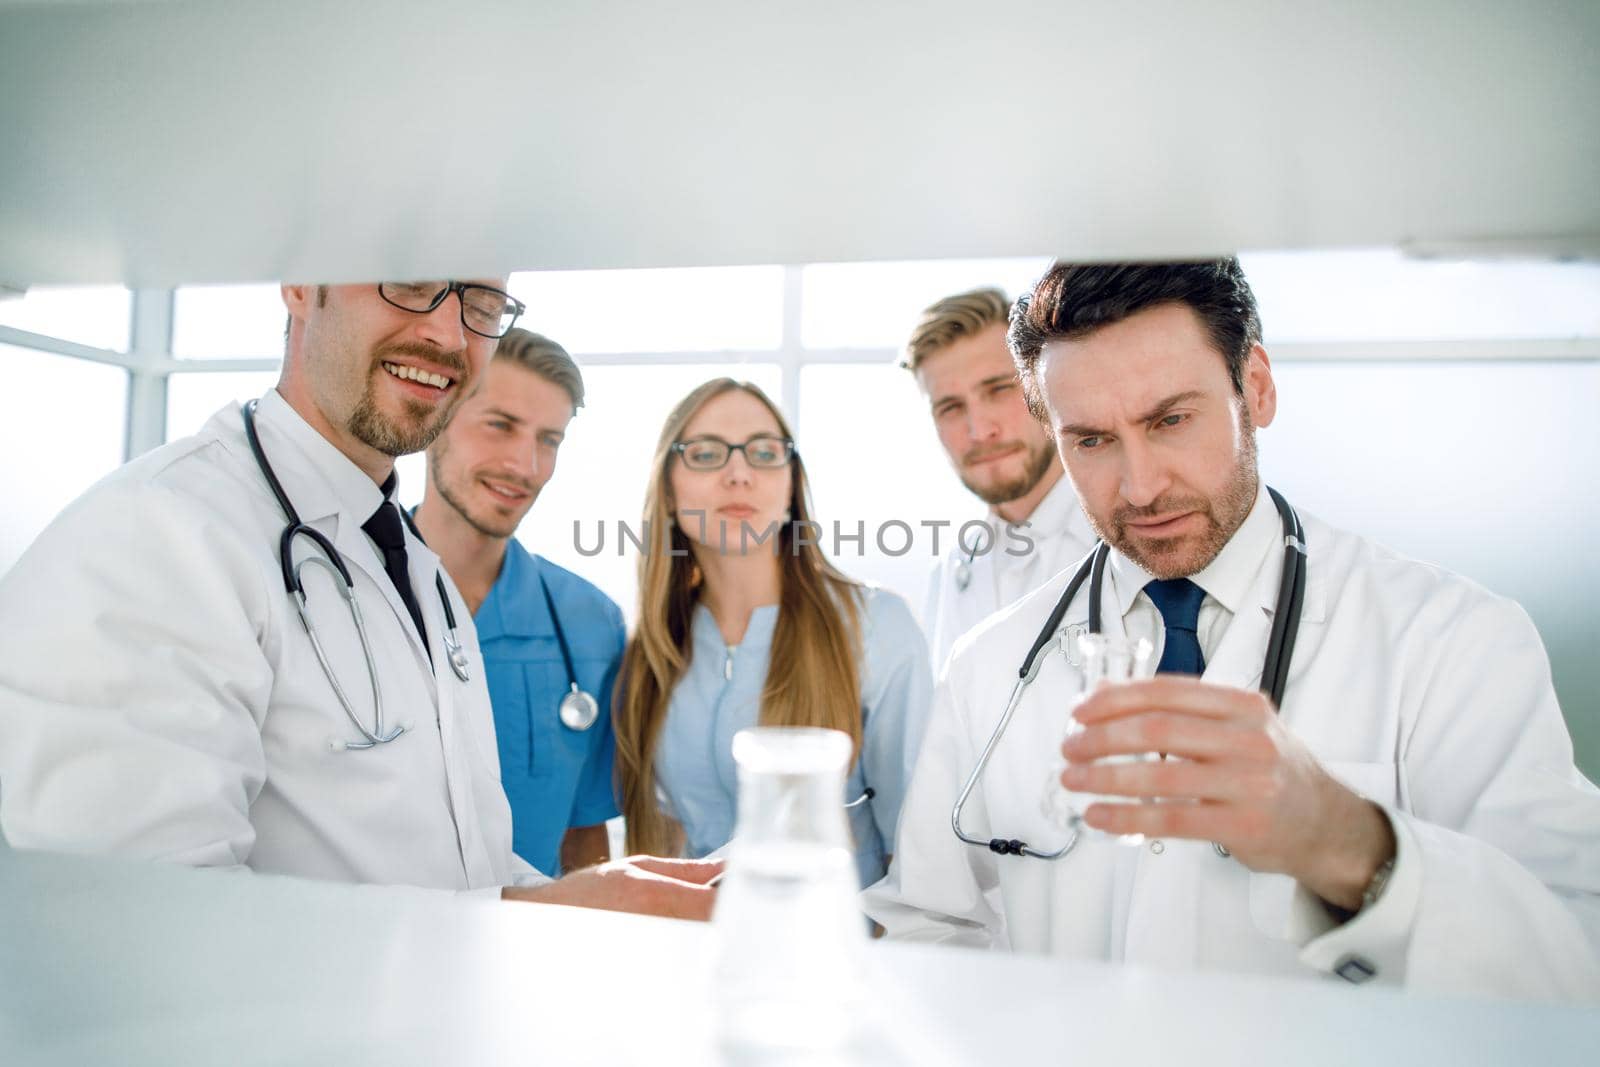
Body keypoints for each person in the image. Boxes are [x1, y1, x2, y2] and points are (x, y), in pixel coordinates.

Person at [863, 260, 1600, 1000]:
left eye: (1171, 420)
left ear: (1258, 387)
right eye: (1090, 440)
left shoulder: (1450, 638)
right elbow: (929, 927)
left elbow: (1578, 953)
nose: (1141, 487)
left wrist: (1355, 846)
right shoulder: (992, 663)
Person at [0, 280, 715, 918]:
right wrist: (531, 919)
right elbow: (135, 930)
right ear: (303, 284)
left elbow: (459, 867)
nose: (447, 332)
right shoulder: (157, 535)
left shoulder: (411, 569)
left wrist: (577, 905)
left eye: (482, 303)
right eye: (409, 281)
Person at [613, 378, 934, 888]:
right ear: (668, 493)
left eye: (764, 453)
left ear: (790, 489)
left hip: (841, 951)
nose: (739, 474)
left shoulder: (877, 628)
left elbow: (922, 862)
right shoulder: (651, 654)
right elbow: (660, 846)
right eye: (705, 454)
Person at [413, 328, 621, 877]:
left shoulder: (590, 625)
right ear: (434, 423)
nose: (525, 466)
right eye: (500, 426)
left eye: (548, 440)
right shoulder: (343, 595)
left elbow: (584, 838)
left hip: (532, 952)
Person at [904, 288, 1095, 674]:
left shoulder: (1129, 542)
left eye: (998, 390)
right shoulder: (952, 570)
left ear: (1045, 388)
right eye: (951, 407)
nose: (979, 430)